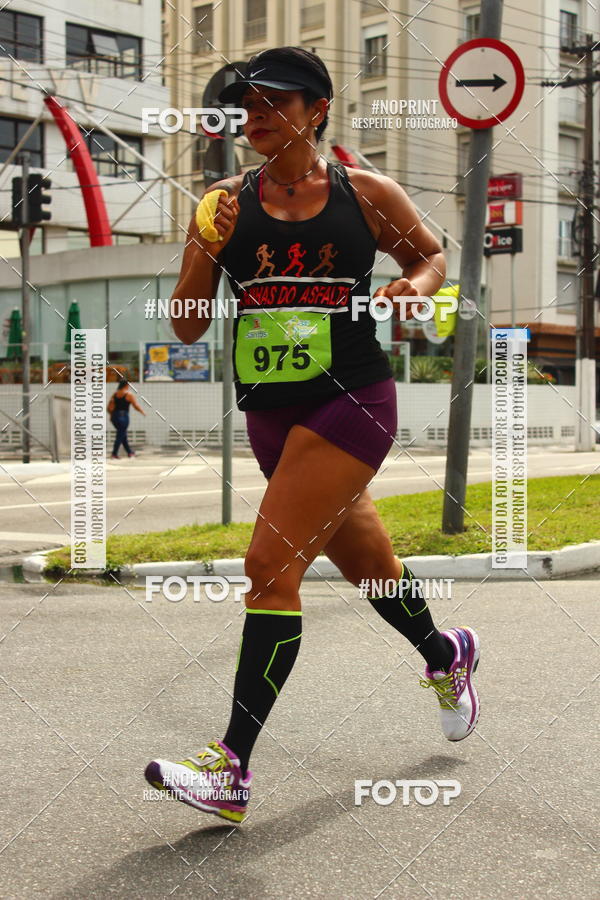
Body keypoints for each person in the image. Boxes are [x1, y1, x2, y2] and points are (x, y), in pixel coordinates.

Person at [145, 46, 480, 824]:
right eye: (247, 103)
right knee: (372, 568)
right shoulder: (224, 201)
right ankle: (447, 655)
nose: (256, 114)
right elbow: (187, 325)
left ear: (317, 109)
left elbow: (431, 254)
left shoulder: (366, 193)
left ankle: (230, 767)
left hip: (352, 398)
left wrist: (413, 288)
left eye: (276, 101)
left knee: (269, 568)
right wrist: (204, 244)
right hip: (270, 415)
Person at [107, 379, 146, 459]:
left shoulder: (115, 394)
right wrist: (142, 411)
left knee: (122, 434)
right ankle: (114, 453)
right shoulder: (129, 394)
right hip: (123, 417)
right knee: (120, 435)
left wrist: (111, 416)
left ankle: (130, 452)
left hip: (114, 417)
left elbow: (110, 406)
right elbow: (135, 406)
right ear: (126, 385)